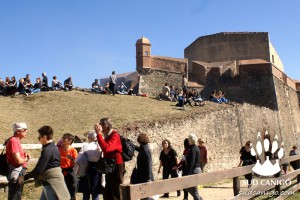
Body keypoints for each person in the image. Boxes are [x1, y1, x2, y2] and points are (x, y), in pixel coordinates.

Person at [24, 126, 70, 200]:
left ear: (44, 137)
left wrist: (25, 177)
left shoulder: (48, 150)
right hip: (50, 182)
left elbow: (39, 169)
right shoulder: (53, 148)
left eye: (39, 137)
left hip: (51, 183)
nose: (38, 139)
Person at [94, 118, 125, 200]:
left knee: (116, 190)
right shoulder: (107, 136)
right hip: (109, 164)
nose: (99, 127)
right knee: (108, 190)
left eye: (101, 125)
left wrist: (99, 134)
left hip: (116, 164)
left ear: (106, 126)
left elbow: (106, 148)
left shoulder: (114, 135)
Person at [6, 122, 31, 200]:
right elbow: (19, 161)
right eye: (24, 130)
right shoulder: (14, 141)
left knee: (18, 192)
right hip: (17, 172)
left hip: (20, 172)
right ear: (18, 131)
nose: (27, 131)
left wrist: (24, 154)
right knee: (15, 193)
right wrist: (27, 159)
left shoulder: (15, 140)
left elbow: (16, 155)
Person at [77, 131, 103, 200]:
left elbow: (79, 159)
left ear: (89, 138)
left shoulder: (86, 146)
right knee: (95, 189)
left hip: (87, 168)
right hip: (98, 167)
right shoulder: (100, 147)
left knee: (86, 190)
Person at [133, 133, 154, 200]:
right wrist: (132, 145)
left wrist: (149, 178)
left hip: (145, 177)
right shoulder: (143, 148)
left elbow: (149, 164)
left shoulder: (145, 150)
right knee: (143, 196)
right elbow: (139, 149)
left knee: (146, 197)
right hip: (142, 176)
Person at [59, 133, 78, 200]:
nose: (63, 139)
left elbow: (76, 163)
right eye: (63, 138)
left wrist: (71, 159)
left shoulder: (73, 150)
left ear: (69, 141)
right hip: (60, 172)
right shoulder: (59, 149)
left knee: (71, 190)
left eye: (64, 138)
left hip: (70, 172)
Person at [185, 134, 203, 200]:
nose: (188, 141)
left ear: (190, 140)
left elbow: (192, 162)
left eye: (188, 140)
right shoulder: (196, 148)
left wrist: (188, 173)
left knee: (194, 191)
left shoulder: (192, 149)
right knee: (189, 188)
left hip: (193, 170)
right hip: (197, 169)